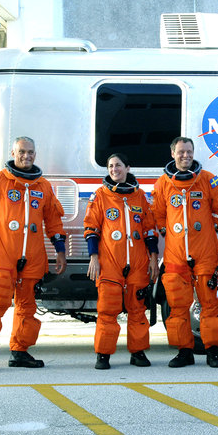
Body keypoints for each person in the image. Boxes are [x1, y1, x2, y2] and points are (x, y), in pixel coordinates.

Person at [0, 137, 67, 373]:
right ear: (13, 152)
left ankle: (20, 352)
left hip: (33, 258)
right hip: (4, 256)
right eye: (22, 152)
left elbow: (53, 221)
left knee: (27, 307)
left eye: (31, 152)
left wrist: (60, 251)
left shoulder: (42, 186)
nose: (27, 156)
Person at [151, 137, 218, 367]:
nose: (185, 156)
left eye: (189, 151)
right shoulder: (163, 183)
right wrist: (169, 233)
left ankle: (213, 351)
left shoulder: (207, 180)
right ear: (172, 153)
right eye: (181, 152)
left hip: (204, 251)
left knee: (209, 303)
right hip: (176, 253)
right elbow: (158, 214)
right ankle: (184, 351)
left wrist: (210, 229)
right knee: (177, 304)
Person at [84, 153, 159, 369]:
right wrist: (93, 257)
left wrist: (153, 258)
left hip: (137, 262)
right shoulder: (100, 195)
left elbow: (150, 230)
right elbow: (91, 228)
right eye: (110, 166)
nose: (114, 169)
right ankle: (103, 354)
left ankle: (138, 352)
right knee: (107, 310)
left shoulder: (140, 197)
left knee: (137, 309)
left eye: (118, 165)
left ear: (127, 167)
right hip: (109, 262)